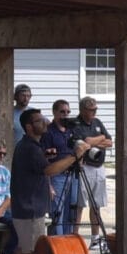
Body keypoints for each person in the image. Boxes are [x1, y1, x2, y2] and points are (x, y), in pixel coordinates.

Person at [9, 109, 90, 254]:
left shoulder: (29, 146)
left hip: (24, 206)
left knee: (22, 249)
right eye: (39, 120)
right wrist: (75, 155)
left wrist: (47, 155)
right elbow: (50, 170)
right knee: (29, 252)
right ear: (28, 127)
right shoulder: (31, 148)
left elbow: (38, 165)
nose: (45, 122)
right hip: (30, 208)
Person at [71, 96, 112, 240]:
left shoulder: (97, 122)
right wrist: (99, 139)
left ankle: (95, 237)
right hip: (84, 167)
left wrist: (95, 141)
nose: (94, 112)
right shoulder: (76, 124)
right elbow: (84, 143)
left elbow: (109, 141)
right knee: (79, 205)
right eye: (90, 110)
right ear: (82, 110)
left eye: (95, 109)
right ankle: (74, 236)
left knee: (96, 204)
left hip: (99, 167)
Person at [40, 99, 78, 235]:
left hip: (73, 175)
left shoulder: (71, 130)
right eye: (62, 112)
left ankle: (68, 243)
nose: (65, 115)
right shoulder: (48, 132)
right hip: (57, 176)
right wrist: (48, 185)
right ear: (54, 112)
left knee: (71, 212)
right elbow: (44, 160)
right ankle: (57, 246)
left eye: (68, 112)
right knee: (57, 213)